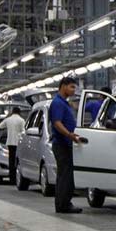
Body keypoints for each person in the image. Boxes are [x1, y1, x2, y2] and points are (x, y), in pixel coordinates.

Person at [48, 77, 83, 214]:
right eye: (72, 87)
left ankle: (63, 203)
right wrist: (69, 135)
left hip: (66, 143)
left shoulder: (64, 103)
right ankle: (63, 204)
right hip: (62, 144)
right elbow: (57, 122)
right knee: (65, 175)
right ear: (63, 86)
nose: (74, 90)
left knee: (65, 175)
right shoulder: (58, 103)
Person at [0, 106, 26, 184]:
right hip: (18, 143)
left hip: (10, 142)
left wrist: (7, 117)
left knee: (11, 160)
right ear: (19, 112)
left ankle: (12, 179)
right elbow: (24, 131)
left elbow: (0, 126)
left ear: (12, 112)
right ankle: (17, 178)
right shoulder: (21, 120)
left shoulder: (8, 120)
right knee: (17, 160)